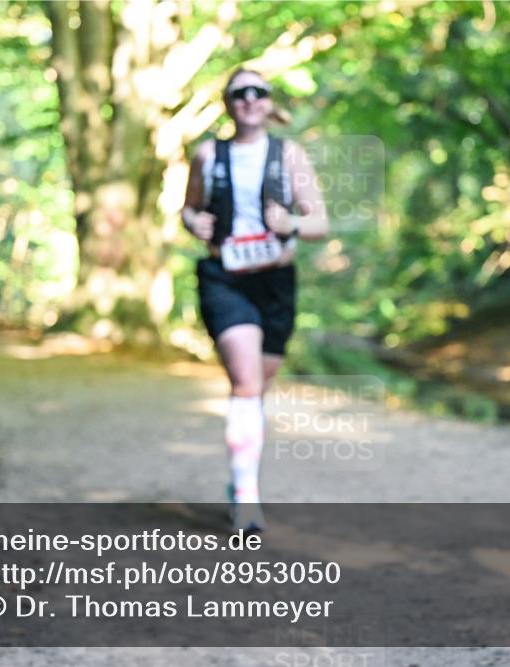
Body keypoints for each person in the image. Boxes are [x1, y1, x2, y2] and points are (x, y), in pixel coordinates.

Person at [182, 68, 328, 532]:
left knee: (256, 389)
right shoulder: (209, 154)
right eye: (239, 93)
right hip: (224, 278)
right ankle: (247, 498)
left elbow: (319, 223)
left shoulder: (289, 155)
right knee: (245, 384)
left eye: (257, 92)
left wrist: (291, 224)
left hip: (275, 283)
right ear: (227, 103)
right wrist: (191, 222)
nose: (249, 99)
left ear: (268, 102)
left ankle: (240, 479)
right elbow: (189, 207)